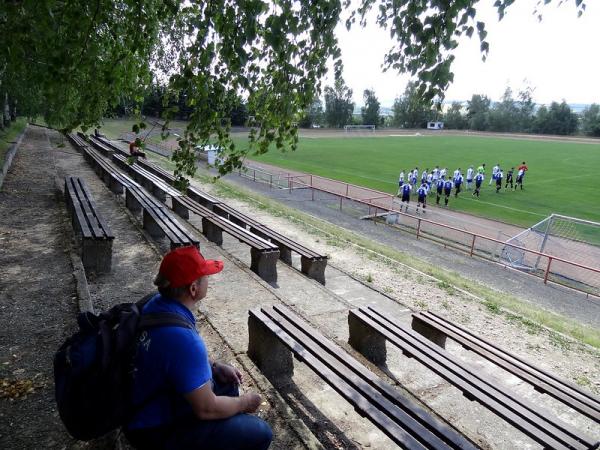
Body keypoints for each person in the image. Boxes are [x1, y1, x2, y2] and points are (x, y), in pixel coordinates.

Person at [124, 246, 273, 450]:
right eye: (205, 276)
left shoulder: (155, 304)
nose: (208, 279)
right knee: (260, 432)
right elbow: (207, 409)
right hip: (154, 431)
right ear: (193, 288)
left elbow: (175, 359)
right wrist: (244, 402)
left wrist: (214, 365)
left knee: (227, 383)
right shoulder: (184, 340)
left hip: (145, 403)